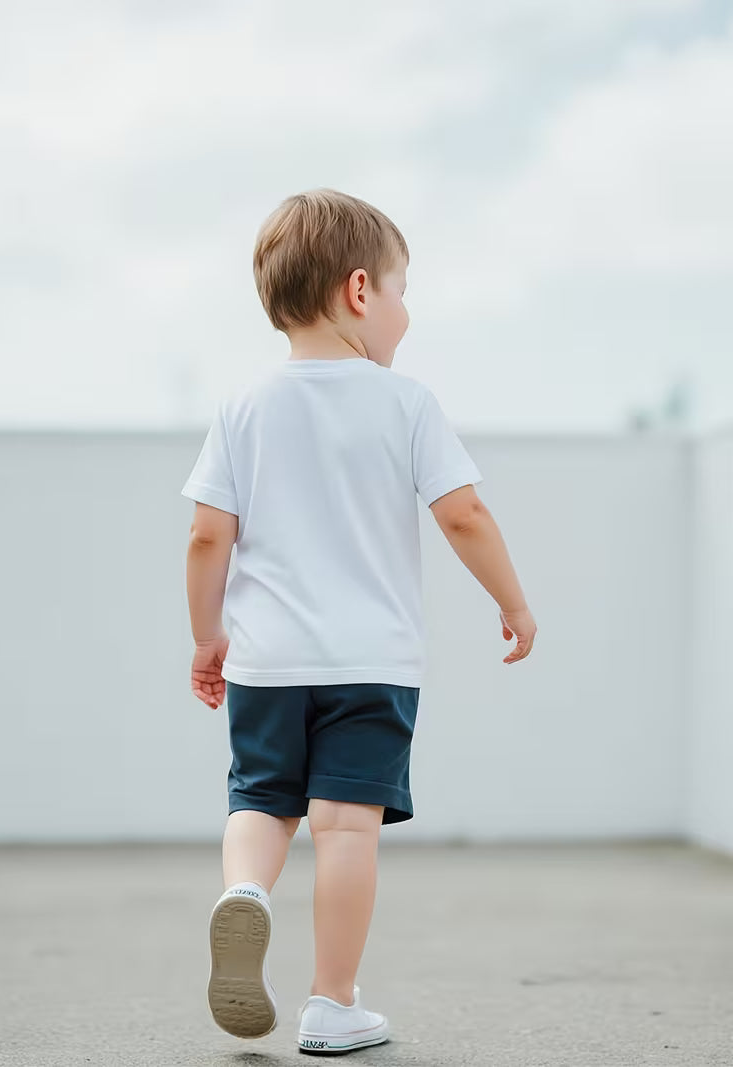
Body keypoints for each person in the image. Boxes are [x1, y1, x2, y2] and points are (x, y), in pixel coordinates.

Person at [180, 188, 537, 1054]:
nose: (406, 311)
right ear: (360, 290)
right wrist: (512, 601)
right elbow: (464, 515)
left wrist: (207, 636)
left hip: (267, 662)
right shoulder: (405, 403)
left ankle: (245, 894)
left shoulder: (241, 407)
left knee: (261, 801)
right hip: (370, 663)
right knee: (345, 826)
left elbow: (206, 536)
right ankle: (332, 1003)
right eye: (403, 290)